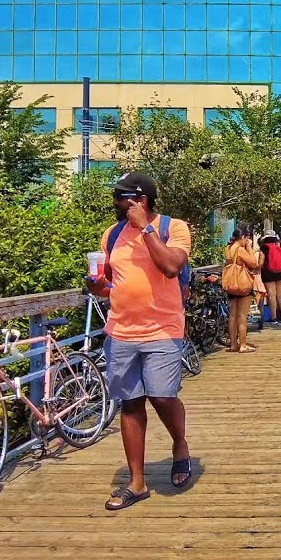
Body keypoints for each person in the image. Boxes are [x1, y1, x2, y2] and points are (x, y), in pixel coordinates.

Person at [87, 172, 192, 511]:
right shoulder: (112, 234)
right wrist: (96, 287)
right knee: (131, 404)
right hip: (121, 331)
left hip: (163, 328)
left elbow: (172, 267)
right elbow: (108, 282)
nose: (115, 204)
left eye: (120, 198)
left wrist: (145, 229)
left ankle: (179, 443)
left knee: (162, 396)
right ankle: (137, 482)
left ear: (139, 200)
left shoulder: (173, 228)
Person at [224, 225, 260, 354]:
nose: (247, 241)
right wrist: (249, 247)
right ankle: (243, 345)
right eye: (247, 238)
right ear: (243, 237)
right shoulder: (240, 249)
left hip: (231, 284)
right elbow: (254, 263)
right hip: (242, 284)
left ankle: (233, 344)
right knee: (242, 315)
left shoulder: (228, 248)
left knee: (232, 315)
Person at [259, 231, 281, 323]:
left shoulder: (264, 248)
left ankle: (274, 318)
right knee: (280, 295)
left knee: (272, 295)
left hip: (268, 273)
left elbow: (260, 263)